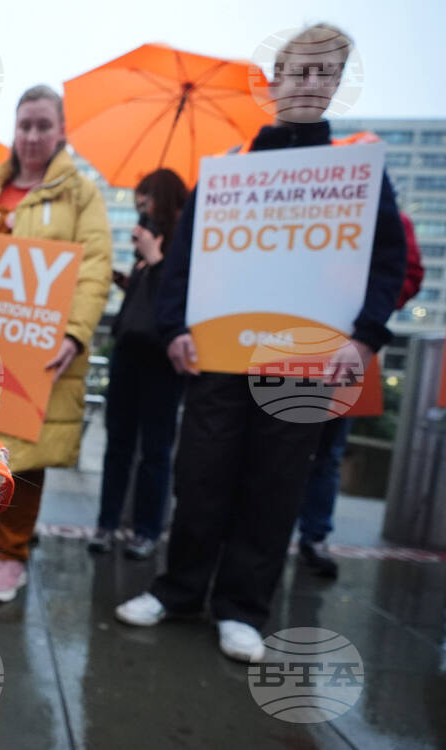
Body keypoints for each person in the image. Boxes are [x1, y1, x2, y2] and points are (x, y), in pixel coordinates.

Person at [115, 24, 406, 662]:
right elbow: (184, 263)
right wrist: (175, 331)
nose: (308, 84)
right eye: (298, 72)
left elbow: (388, 262)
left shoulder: (357, 170)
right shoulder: (230, 171)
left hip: (304, 358)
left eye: (322, 74)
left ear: (334, 85)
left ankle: (243, 607)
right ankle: (179, 588)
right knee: (200, 474)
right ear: (274, 82)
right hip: (221, 353)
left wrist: (365, 338)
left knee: (275, 483)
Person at [0, 84, 112, 602]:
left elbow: (95, 269)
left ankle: (10, 554)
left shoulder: (81, 194)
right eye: (24, 124)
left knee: (23, 456)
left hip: (40, 351)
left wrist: (75, 333)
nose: (31, 135)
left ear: (61, 132)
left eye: (42, 125)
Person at [297, 212, 424, 578]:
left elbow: (407, 274)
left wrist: (366, 303)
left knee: (328, 451)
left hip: (346, 342)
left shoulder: (388, 217)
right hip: (292, 337)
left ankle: (314, 535)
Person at [88, 168, 188, 559]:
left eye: (146, 198)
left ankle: (146, 530)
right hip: (128, 354)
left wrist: (157, 259)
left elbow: (177, 298)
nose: (141, 206)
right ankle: (107, 524)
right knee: (118, 445)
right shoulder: (147, 243)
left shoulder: (182, 241)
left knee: (156, 450)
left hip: (161, 361)